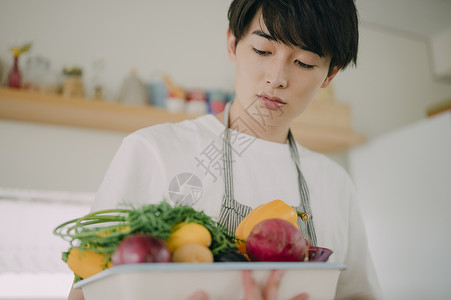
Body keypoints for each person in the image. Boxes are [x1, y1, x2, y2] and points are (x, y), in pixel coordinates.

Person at [68, 0, 382, 299]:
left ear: (330, 74)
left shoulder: (335, 184)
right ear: (232, 42)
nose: (277, 78)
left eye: (304, 62)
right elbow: (86, 289)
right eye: (262, 50)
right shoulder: (151, 151)